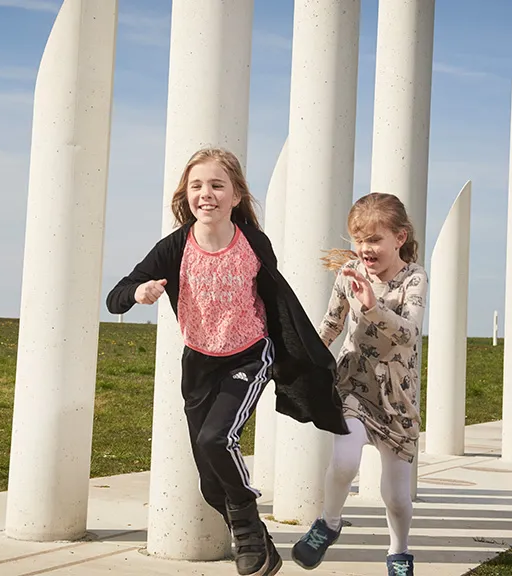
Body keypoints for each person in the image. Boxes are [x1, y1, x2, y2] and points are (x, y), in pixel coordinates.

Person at [106, 147, 348, 576]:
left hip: (249, 357)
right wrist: (139, 292)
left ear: (236, 195)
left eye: (218, 185)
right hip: (199, 364)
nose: (207, 194)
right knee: (210, 481)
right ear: (186, 194)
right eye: (197, 185)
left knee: (216, 439)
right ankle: (263, 546)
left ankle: (249, 530)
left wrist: (291, 356)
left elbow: (276, 300)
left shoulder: (253, 242)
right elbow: (117, 295)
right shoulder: (175, 246)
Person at [290, 193, 428, 576]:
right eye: (359, 240)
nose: (366, 249)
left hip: (398, 399)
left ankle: (399, 552)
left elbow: (408, 333)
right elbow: (331, 324)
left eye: (375, 240)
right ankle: (329, 523)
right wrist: (305, 356)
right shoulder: (349, 272)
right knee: (344, 461)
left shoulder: (414, 277)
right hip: (353, 385)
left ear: (399, 238)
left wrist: (372, 307)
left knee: (397, 497)